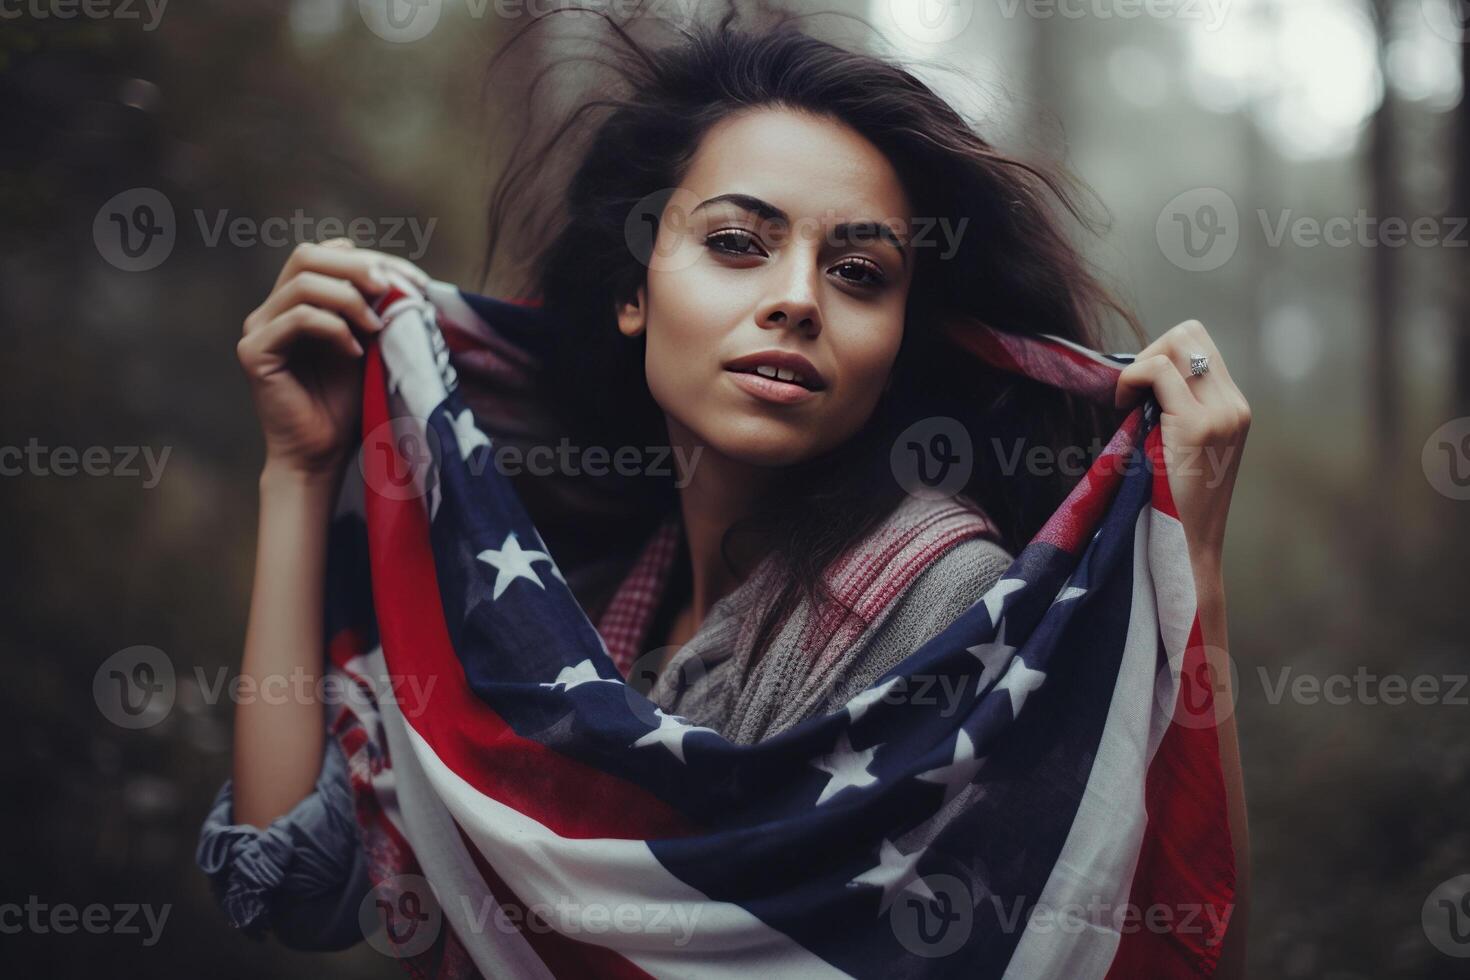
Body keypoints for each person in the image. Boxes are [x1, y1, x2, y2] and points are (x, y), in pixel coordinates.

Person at [198, 10, 1251, 974]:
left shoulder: (946, 600)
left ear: (898, 340)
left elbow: (1163, 932)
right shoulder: (572, 606)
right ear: (631, 291)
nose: (795, 299)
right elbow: (300, 878)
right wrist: (297, 471)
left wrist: (1188, 563)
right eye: (738, 244)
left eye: (859, 272)